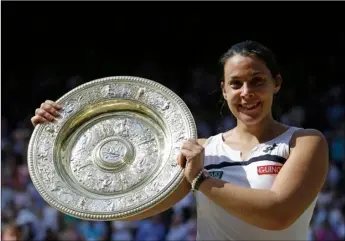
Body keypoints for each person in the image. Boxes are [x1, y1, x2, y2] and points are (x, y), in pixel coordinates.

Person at [31, 40, 329, 240]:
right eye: (235, 84)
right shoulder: (203, 150)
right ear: (224, 90)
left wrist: (200, 180)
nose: (246, 92)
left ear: (276, 83)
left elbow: (278, 214)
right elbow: (132, 208)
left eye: (257, 81)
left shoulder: (304, 142)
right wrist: (58, 134)